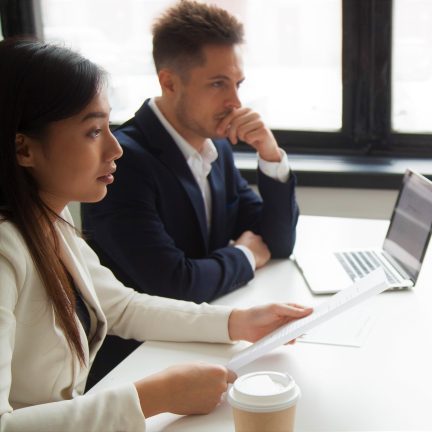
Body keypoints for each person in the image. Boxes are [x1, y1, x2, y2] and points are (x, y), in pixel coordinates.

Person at [0, 38, 312, 431]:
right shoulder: (5, 250)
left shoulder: (49, 223)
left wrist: (239, 322)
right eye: (93, 131)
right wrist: (152, 398)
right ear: (23, 149)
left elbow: (123, 308)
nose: (115, 148)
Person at [81, 0, 300, 384]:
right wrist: (246, 255)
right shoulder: (124, 162)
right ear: (169, 82)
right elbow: (174, 286)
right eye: (218, 84)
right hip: (137, 364)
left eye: (237, 84)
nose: (235, 102)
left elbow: (278, 242)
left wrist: (270, 153)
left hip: (203, 336)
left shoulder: (216, 146)